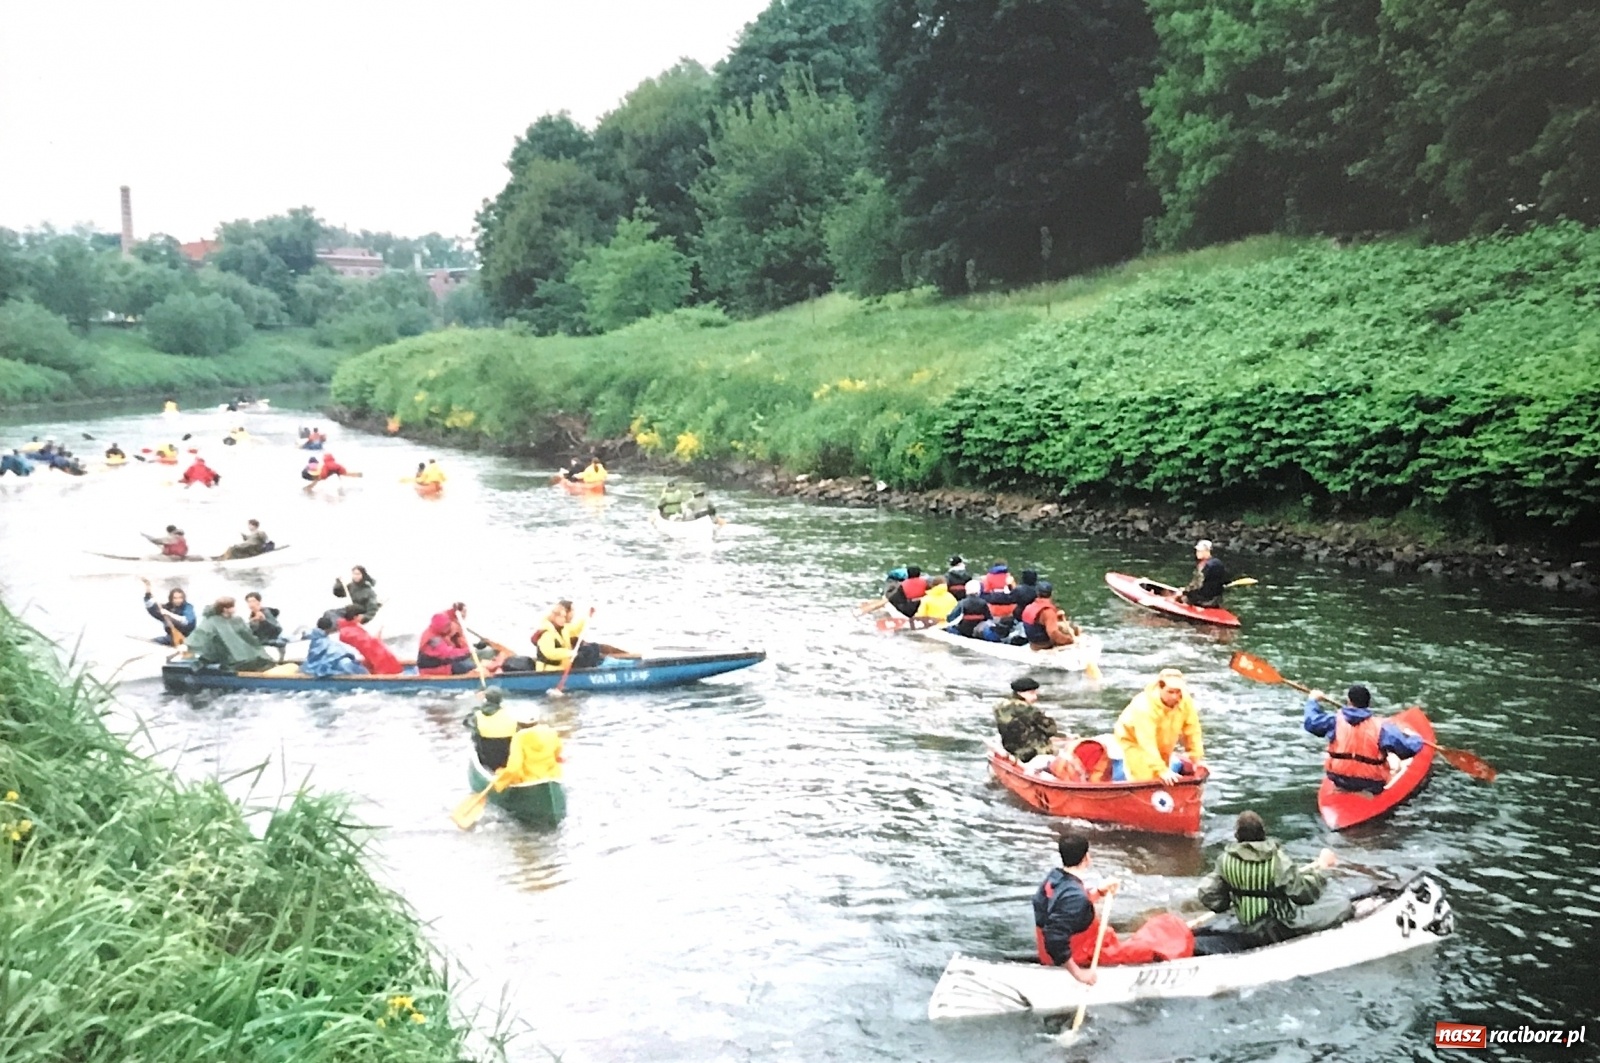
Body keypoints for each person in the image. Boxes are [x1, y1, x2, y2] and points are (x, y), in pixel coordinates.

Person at [1035, 833, 1195, 970]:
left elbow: (1064, 907)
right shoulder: (1076, 896)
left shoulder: (1053, 880)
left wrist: (1098, 892)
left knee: (1157, 928)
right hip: (1083, 956)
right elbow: (1054, 936)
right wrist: (1080, 974)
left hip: (1063, 951)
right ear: (1086, 858)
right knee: (1164, 930)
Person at [1196, 811, 1339, 950]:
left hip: (1248, 927)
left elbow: (1208, 893)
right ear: (1263, 833)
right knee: (1341, 905)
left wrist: (1225, 903)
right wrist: (1322, 871)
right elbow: (1303, 895)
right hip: (1281, 927)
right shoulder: (1278, 860)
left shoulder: (1224, 861)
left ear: (1237, 835)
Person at [1303, 684, 1424, 794]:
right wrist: (1417, 739)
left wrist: (1312, 700)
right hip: (1371, 783)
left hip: (1338, 778)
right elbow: (1407, 750)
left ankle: (1345, 789)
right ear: (1368, 704)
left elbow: (1311, 722)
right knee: (1391, 758)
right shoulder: (1383, 727)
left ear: (1349, 701)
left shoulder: (1334, 721)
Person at [1112, 668, 1205, 783]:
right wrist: (1161, 770)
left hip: (1165, 738)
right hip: (1134, 740)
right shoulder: (1144, 707)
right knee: (1145, 778)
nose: (1175, 697)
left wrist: (1196, 759)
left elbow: (1192, 730)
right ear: (1160, 688)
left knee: (1166, 775)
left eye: (1178, 692)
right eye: (1171, 692)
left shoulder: (1185, 701)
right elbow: (1146, 741)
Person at [185, 597, 275, 671]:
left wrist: (257, 624)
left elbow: (248, 636)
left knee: (260, 659)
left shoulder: (237, 620)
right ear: (225, 609)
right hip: (224, 655)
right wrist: (186, 646)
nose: (235, 609)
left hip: (239, 654)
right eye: (232, 606)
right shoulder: (212, 621)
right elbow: (201, 634)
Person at [994, 677, 1059, 764]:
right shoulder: (1031, 711)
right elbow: (1052, 730)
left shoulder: (1000, 708)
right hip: (1032, 754)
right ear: (1020, 693)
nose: (1035, 697)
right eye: (1031, 693)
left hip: (1011, 750)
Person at [416, 603, 484, 676]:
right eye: (446, 626)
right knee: (468, 666)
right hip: (433, 669)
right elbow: (447, 653)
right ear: (440, 627)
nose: (449, 628)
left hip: (443, 663)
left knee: (468, 663)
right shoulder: (433, 639)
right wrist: (467, 651)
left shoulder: (437, 631)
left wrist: (454, 611)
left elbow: (446, 616)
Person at [532, 600, 600, 672]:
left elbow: (575, 629)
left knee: (592, 648)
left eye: (564, 617)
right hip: (549, 669)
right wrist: (569, 653)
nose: (563, 619)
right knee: (583, 654)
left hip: (563, 665)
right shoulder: (546, 633)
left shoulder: (564, 628)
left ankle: (591, 671)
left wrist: (587, 617)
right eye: (560, 617)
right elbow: (550, 653)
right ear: (554, 617)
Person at [336, 605, 402, 675]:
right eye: (361, 615)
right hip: (375, 661)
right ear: (355, 617)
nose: (363, 617)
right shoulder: (349, 632)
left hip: (371, 658)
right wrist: (375, 640)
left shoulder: (351, 628)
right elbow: (368, 647)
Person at [1018, 582, 1080, 650]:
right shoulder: (1048, 612)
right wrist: (1069, 640)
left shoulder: (1029, 607)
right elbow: (1053, 633)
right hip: (1045, 646)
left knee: (1065, 626)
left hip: (1033, 644)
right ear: (1052, 594)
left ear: (1037, 593)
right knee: (1075, 629)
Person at [300, 616, 367, 677]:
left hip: (312, 665)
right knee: (346, 663)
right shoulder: (323, 641)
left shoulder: (315, 638)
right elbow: (335, 653)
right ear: (329, 629)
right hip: (321, 667)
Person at [141, 579, 196, 644]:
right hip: (171, 637)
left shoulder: (188, 607)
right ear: (171, 599)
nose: (178, 600)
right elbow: (151, 607)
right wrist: (148, 590)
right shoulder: (168, 607)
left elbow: (187, 622)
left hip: (187, 639)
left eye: (180, 598)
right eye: (175, 598)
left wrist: (169, 614)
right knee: (152, 642)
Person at [1176, 539, 1228, 607]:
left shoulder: (1204, 565)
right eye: (1197, 551)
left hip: (1202, 600)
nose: (1197, 553)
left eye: (1200, 551)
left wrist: (1184, 591)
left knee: (1177, 597)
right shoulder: (1218, 563)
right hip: (1216, 599)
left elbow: (1197, 584)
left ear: (1207, 551)